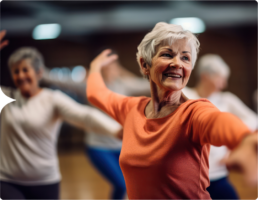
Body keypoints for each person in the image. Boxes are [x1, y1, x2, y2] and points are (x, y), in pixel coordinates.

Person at [86, 22, 258, 200]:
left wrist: (244, 138)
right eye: (167, 55)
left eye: (185, 58)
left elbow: (216, 121)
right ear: (145, 65)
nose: (177, 63)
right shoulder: (132, 109)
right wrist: (95, 68)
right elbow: (96, 94)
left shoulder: (193, 112)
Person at [0, 47, 121, 200]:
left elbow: (85, 115)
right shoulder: (6, 97)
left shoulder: (52, 99)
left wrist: (117, 130)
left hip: (46, 181)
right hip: (8, 181)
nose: (21, 75)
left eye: (25, 70)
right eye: (16, 71)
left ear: (39, 72)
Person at [41, 59, 150, 200]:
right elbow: (64, 81)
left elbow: (148, 84)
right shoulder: (90, 86)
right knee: (121, 185)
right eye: (107, 67)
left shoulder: (123, 85)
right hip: (99, 147)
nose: (111, 70)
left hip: (122, 147)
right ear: (100, 69)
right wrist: (42, 72)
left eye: (114, 66)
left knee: (131, 186)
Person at [183, 54, 258, 200]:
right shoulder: (186, 96)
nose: (223, 84)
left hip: (218, 174)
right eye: (220, 79)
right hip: (191, 177)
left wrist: (234, 141)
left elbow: (254, 120)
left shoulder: (227, 99)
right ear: (206, 76)